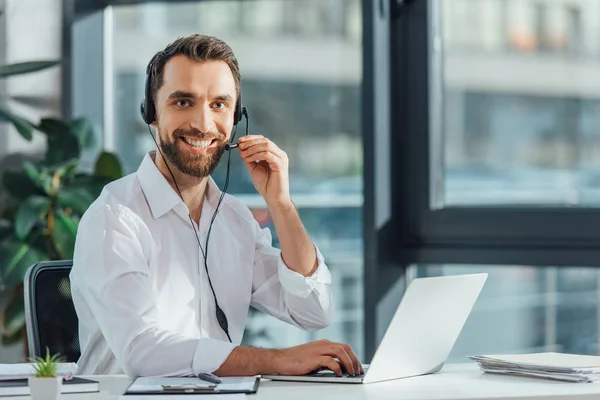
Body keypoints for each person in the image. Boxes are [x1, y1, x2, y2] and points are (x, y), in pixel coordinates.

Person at [69, 34, 363, 378]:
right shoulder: (115, 219)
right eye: (183, 102)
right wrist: (280, 360)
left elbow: (314, 310)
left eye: (219, 105)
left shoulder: (233, 219)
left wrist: (281, 204)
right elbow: (142, 352)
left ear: (236, 117)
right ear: (151, 114)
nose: (204, 124)